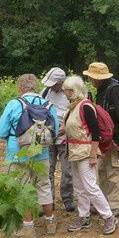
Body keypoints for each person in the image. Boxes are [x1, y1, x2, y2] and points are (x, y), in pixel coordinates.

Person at [0, 74, 59, 238]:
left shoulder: (14, 104)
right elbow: (55, 131)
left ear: (20, 88)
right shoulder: (48, 105)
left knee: (23, 188)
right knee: (44, 185)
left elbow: (0, 131)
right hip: (42, 152)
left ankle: (28, 228)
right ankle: (50, 222)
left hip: (18, 154)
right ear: (36, 87)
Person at [61, 76, 117, 235]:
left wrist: (93, 155)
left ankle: (109, 217)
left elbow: (96, 133)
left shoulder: (85, 106)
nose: (66, 93)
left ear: (75, 90)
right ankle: (83, 216)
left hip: (86, 152)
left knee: (91, 186)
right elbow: (78, 128)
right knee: (79, 186)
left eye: (68, 90)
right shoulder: (73, 107)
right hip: (74, 151)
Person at [83, 62, 119, 217]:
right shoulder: (101, 90)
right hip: (104, 139)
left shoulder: (114, 91)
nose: (90, 80)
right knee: (102, 171)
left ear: (98, 78)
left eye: (91, 78)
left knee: (114, 171)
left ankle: (117, 205)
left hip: (114, 139)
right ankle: (104, 204)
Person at [41, 67, 75, 212]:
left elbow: (77, 114)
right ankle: (48, 202)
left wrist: (66, 127)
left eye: (54, 83)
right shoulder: (44, 92)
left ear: (61, 82)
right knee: (47, 170)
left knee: (67, 170)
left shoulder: (71, 93)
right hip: (48, 138)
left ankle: (68, 199)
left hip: (65, 138)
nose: (51, 86)